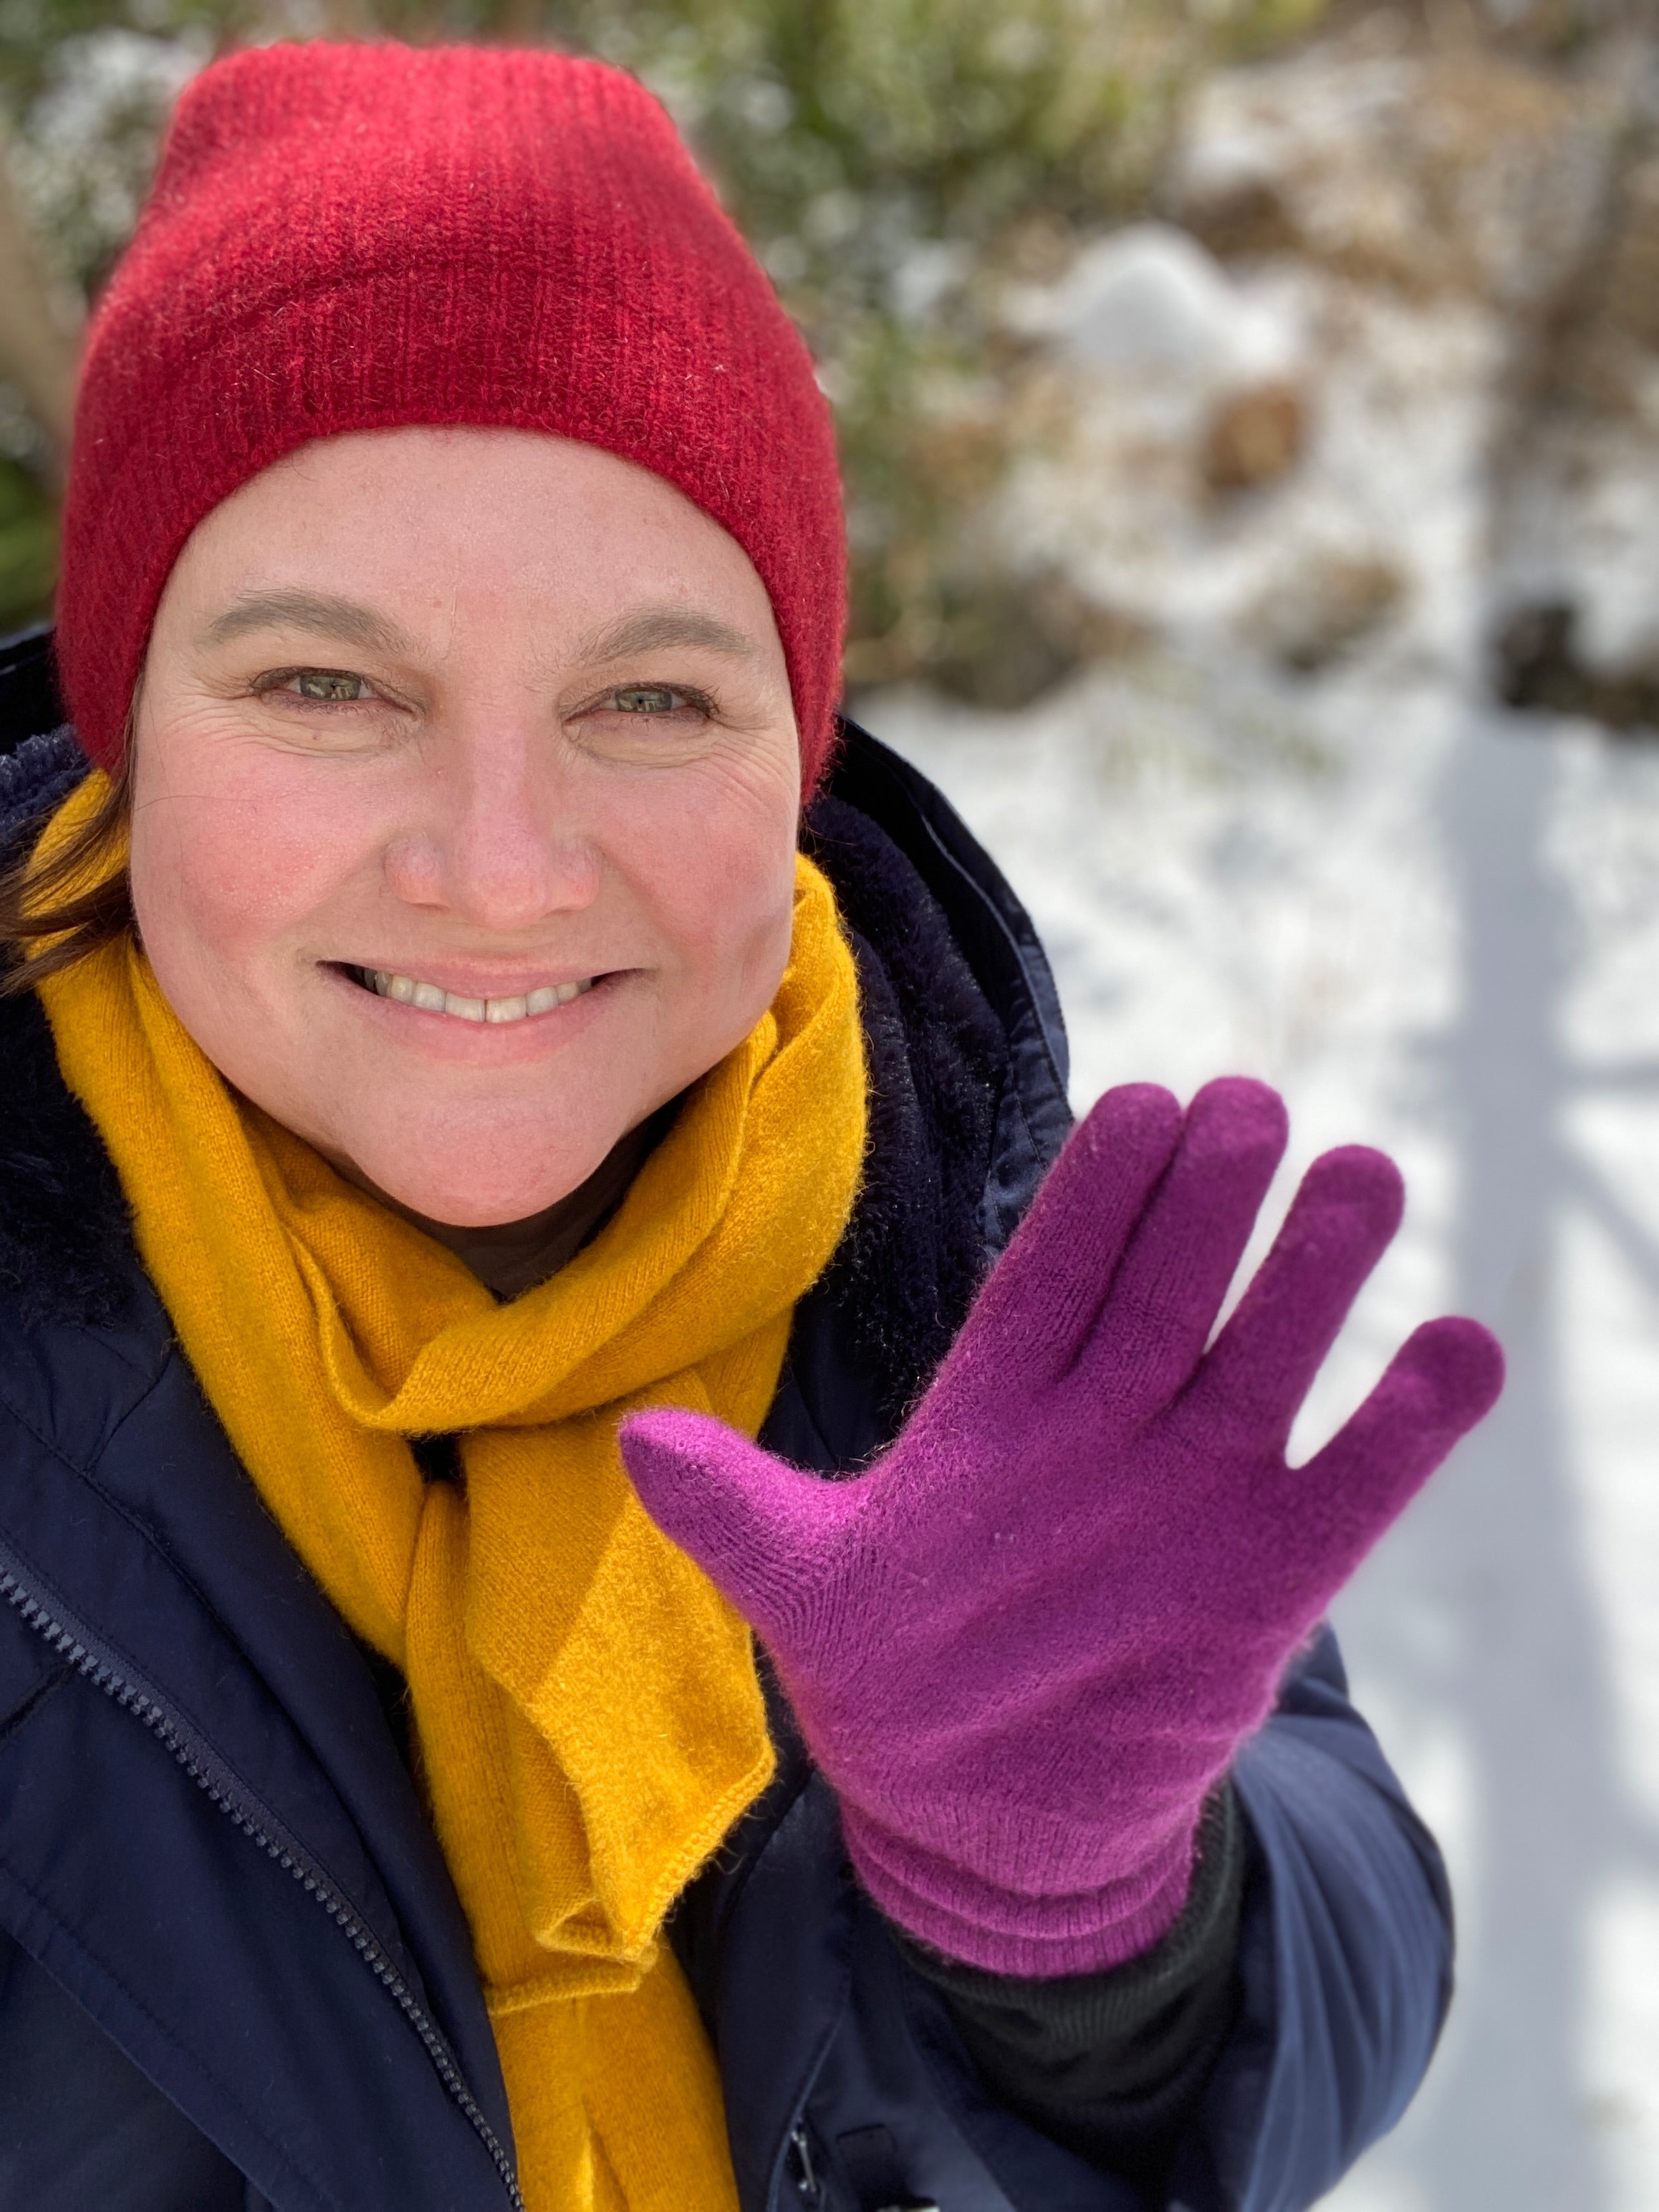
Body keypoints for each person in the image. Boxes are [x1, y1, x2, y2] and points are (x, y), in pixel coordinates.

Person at [0, 40, 1502, 2212]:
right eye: (325, 685)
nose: (499, 869)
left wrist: (1089, 1931)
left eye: (651, 698)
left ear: (794, 753)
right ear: (122, 729)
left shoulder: (955, 1255)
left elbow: (1319, 1969)